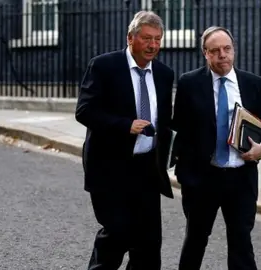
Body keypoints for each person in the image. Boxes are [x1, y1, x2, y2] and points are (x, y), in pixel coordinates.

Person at [170, 26, 261, 270]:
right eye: (215, 50)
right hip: (202, 179)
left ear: (234, 51)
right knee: (196, 240)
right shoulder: (190, 83)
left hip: (241, 178)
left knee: (241, 242)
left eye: (227, 49)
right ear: (205, 54)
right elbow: (180, 130)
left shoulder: (254, 84)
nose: (222, 55)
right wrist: (184, 173)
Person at [75, 10, 175, 270]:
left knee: (149, 244)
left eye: (157, 39)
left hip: (147, 169)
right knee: (117, 236)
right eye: (146, 38)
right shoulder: (104, 66)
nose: (153, 45)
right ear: (130, 37)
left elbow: (166, 121)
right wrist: (125, 125)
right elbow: (84, 111)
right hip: (110, 167)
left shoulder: (164, 74)